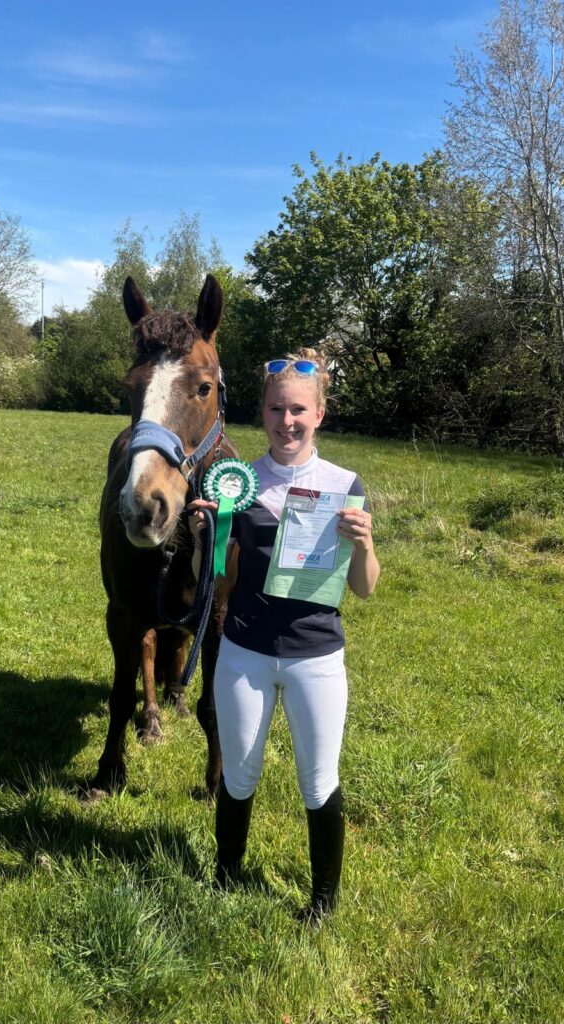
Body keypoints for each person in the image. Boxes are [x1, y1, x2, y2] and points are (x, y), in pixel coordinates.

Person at [188, 348, 380, 925]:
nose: (286, 421)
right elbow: (219, 584)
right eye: (276, 410)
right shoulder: (240, 484)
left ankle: (322, 903)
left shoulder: (345, 485)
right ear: (263, 414)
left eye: (298, 409)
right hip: (244, 650)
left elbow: (365, 588)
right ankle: (226, 878)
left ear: (319, 414)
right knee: (240, 774)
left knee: (318, 781)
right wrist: (206, 539)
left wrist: (366, 544)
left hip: (315, 658)